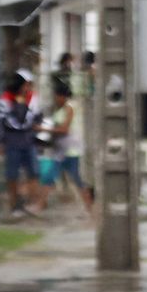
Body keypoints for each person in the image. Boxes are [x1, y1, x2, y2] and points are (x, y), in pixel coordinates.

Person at [0, 73, 42, 218]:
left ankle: (32, 204)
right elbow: (0, 123)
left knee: (33, 173)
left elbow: (37, 118)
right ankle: (14, 204)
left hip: (28, 141)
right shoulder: (5, 99)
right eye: (26, 84)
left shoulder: (33, 98)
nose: (28, 87)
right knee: (12, 175)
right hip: (12, 142)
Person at [44, 87, 93, 215]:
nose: (55, 99)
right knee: (51, 177)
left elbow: (64, 129)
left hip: (71, 150)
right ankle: (40, 205)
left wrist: (44, 129)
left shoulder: (69, 108)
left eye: (57, 96)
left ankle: (89, 208)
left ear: (62, 96)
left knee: (76, 179)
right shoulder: (59, 111)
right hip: (60, 151)